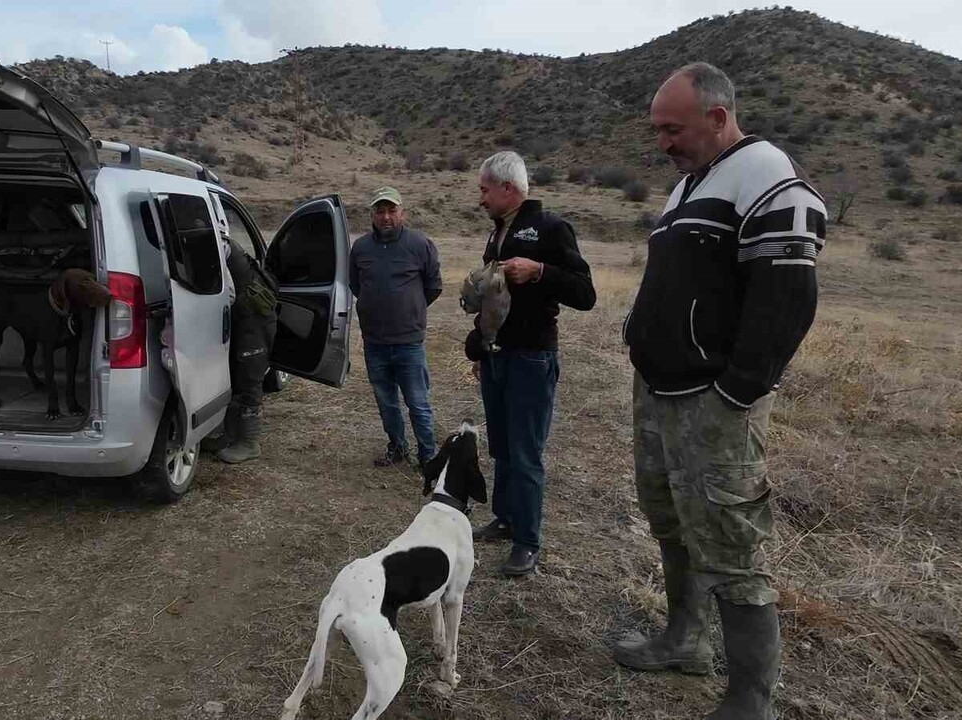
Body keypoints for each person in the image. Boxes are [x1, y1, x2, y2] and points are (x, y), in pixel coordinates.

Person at [616, 62, 827, 720]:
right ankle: (684, 639)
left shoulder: (764, 174)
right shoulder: (688, 186)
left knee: (732, 543)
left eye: (672, 130)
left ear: (717, 116)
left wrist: (736, 393)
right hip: (658, 394)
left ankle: (748, 700)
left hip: (712, 403)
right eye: (658, 131)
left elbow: (787, 300)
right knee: (672, 521)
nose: (663, 143)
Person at [468, 151, 596, 576]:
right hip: (497, 356)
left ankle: (527, 541)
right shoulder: (497, 232)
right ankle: (505, 519)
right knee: (502, 446)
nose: (481, 198)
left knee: (524, 452)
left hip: (531, 357)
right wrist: (481, 345)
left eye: (485, 190)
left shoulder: (551, 228)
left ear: (508, 188)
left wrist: (540, 270)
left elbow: (585, 293)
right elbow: (493, 297)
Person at [348, 186, 442, 468]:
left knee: (418, 403)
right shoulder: (360, 247)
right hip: (374, 342)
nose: (386, 216)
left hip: (408, 342)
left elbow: (433, 286)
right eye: (380, 211)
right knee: (386, 401)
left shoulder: (420, 244)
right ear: (372, 215)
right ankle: (398, 447)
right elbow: (356, 285)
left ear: (403, 213)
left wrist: (410, 309)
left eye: (392, 210)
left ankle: (428, 457)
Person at [202, 236, 279, 464]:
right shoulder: (218, 243)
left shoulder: (218, 247)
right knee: (235, 375)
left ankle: (249, 442)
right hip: (241, 318)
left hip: (255, 321)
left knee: (249, 379)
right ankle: (230, 436)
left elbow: (228, 295)